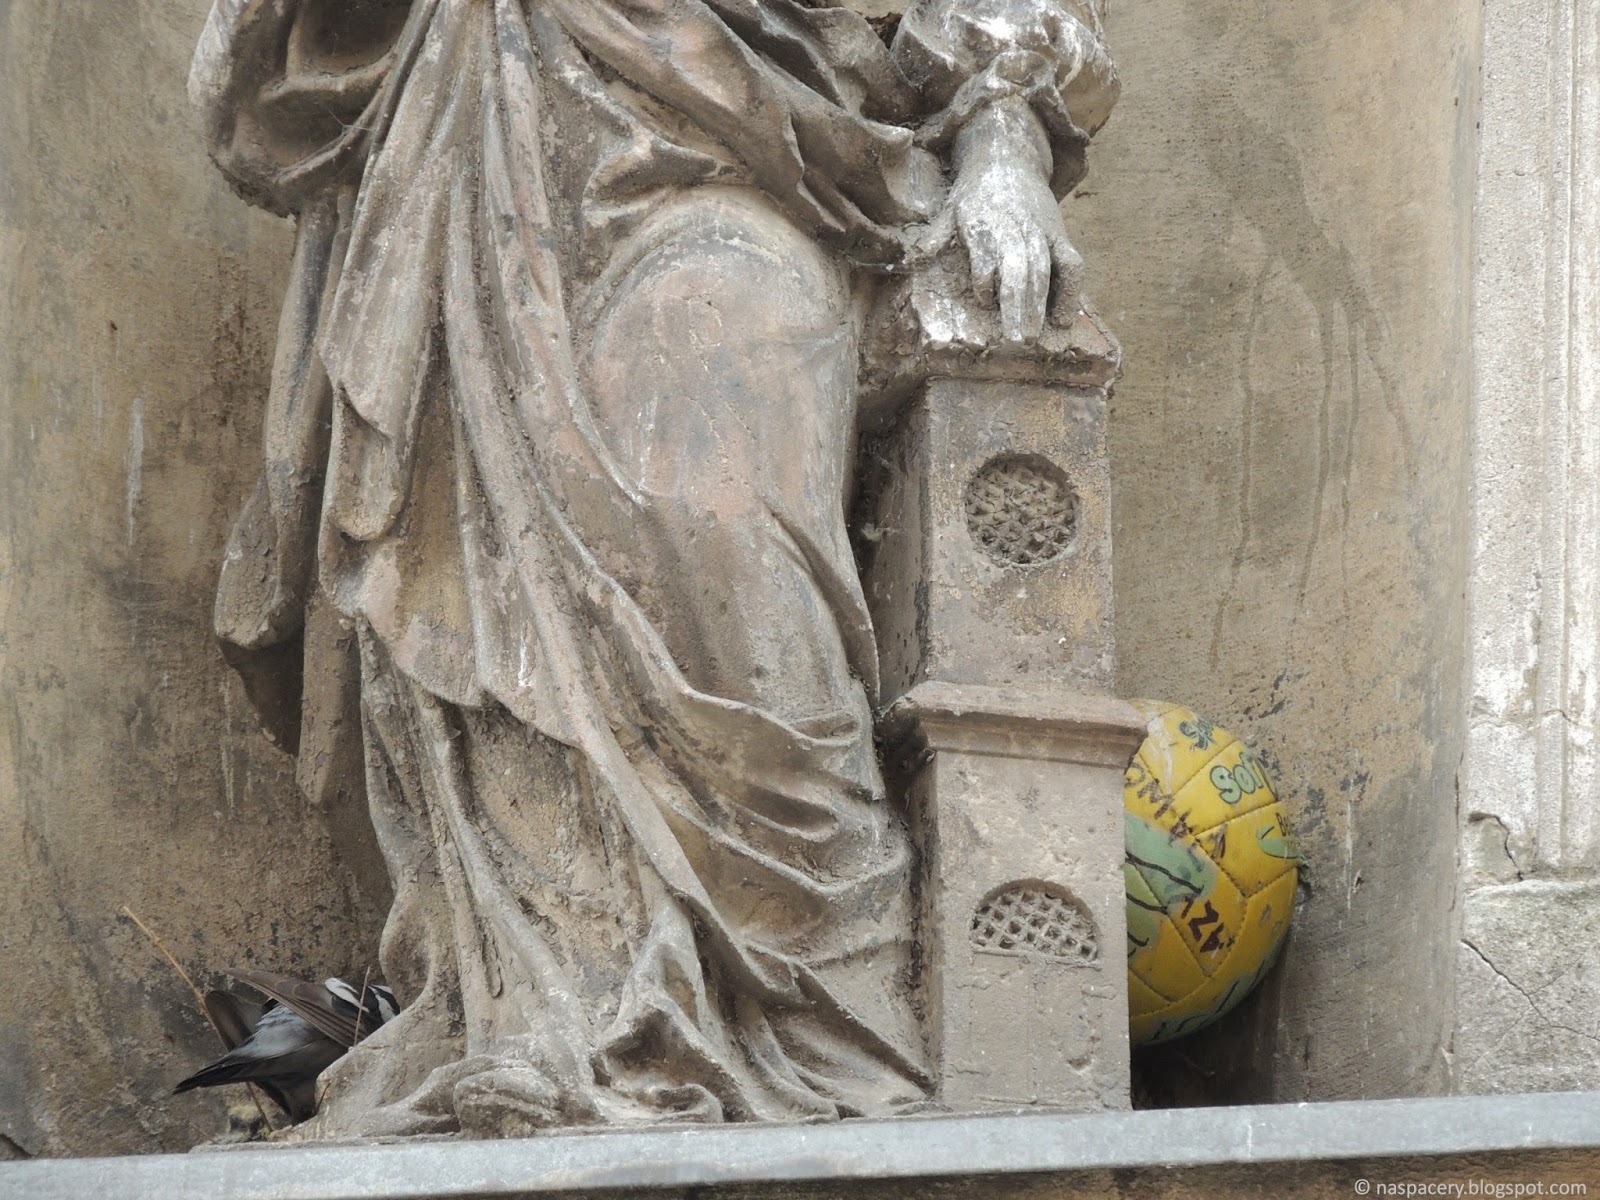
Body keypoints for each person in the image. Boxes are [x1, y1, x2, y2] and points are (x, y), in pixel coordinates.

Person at [192, 0, 1118, 1137]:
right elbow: (259, 79)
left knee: (724, 547)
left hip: (758, 161)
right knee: (489, 599)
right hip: (479, 149)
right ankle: (557, 1018)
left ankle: (833, 1014)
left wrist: (1002, 131)